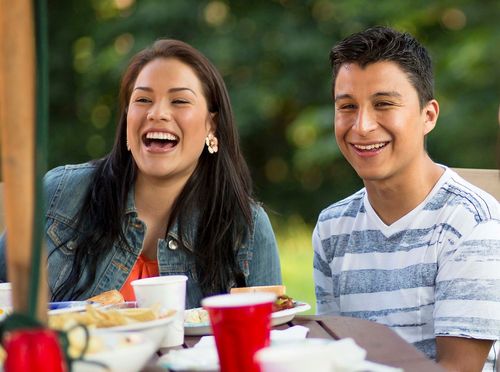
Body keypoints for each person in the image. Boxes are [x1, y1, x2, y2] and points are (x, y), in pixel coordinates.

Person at [0, 39, 282, 309]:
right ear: (126, 119)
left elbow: (270, 336)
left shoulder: (247, 228)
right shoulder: (59, 193)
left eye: (180, 101)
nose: (157, 113)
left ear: (212, 124)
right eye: (143, 99)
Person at [313, 26, 500, 371]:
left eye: (383, 104)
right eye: (347, 106)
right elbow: (332, 354)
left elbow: (458, 369)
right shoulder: (331, 227)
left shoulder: (473, 223)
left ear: (428, 116)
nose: (362, 126)